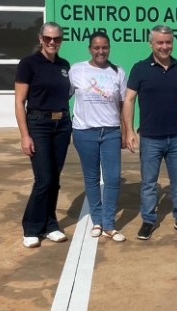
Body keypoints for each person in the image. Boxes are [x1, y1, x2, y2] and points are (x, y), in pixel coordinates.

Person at [122, 25, 177, 240]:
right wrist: (129, 130)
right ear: (151, 44)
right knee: (149, 183)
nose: (164, 46)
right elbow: (129, 100)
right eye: (160, 42)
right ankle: (148, 220)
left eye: (168, 42)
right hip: (149, 137)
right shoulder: (140, 68)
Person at [15, 22, 73, 248]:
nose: (52, 42)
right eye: (48, 38)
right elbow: (20, 102)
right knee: (44, 179)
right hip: (38, 124)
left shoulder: (64, 65)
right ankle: (31, 227)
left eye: (57, 39)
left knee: (54, 180)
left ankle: (50, 225)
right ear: (40, 38)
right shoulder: (28, 64)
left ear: (61, 40)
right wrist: (24, 135)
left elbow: (65, 94)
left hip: (61, 126)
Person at [69, 31, 127, 242]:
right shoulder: (77, 69)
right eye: (96, 47)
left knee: (112, 178)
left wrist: (125, 130)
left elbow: (123, 105)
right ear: (90, 49)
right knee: (92, 179)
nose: (101, 51)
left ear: (109, 48)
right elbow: (62, 96)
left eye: (104, 47)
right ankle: (97, 221)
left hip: (111, 131)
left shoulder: (118, 71)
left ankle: (109, 224)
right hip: (84, 132)